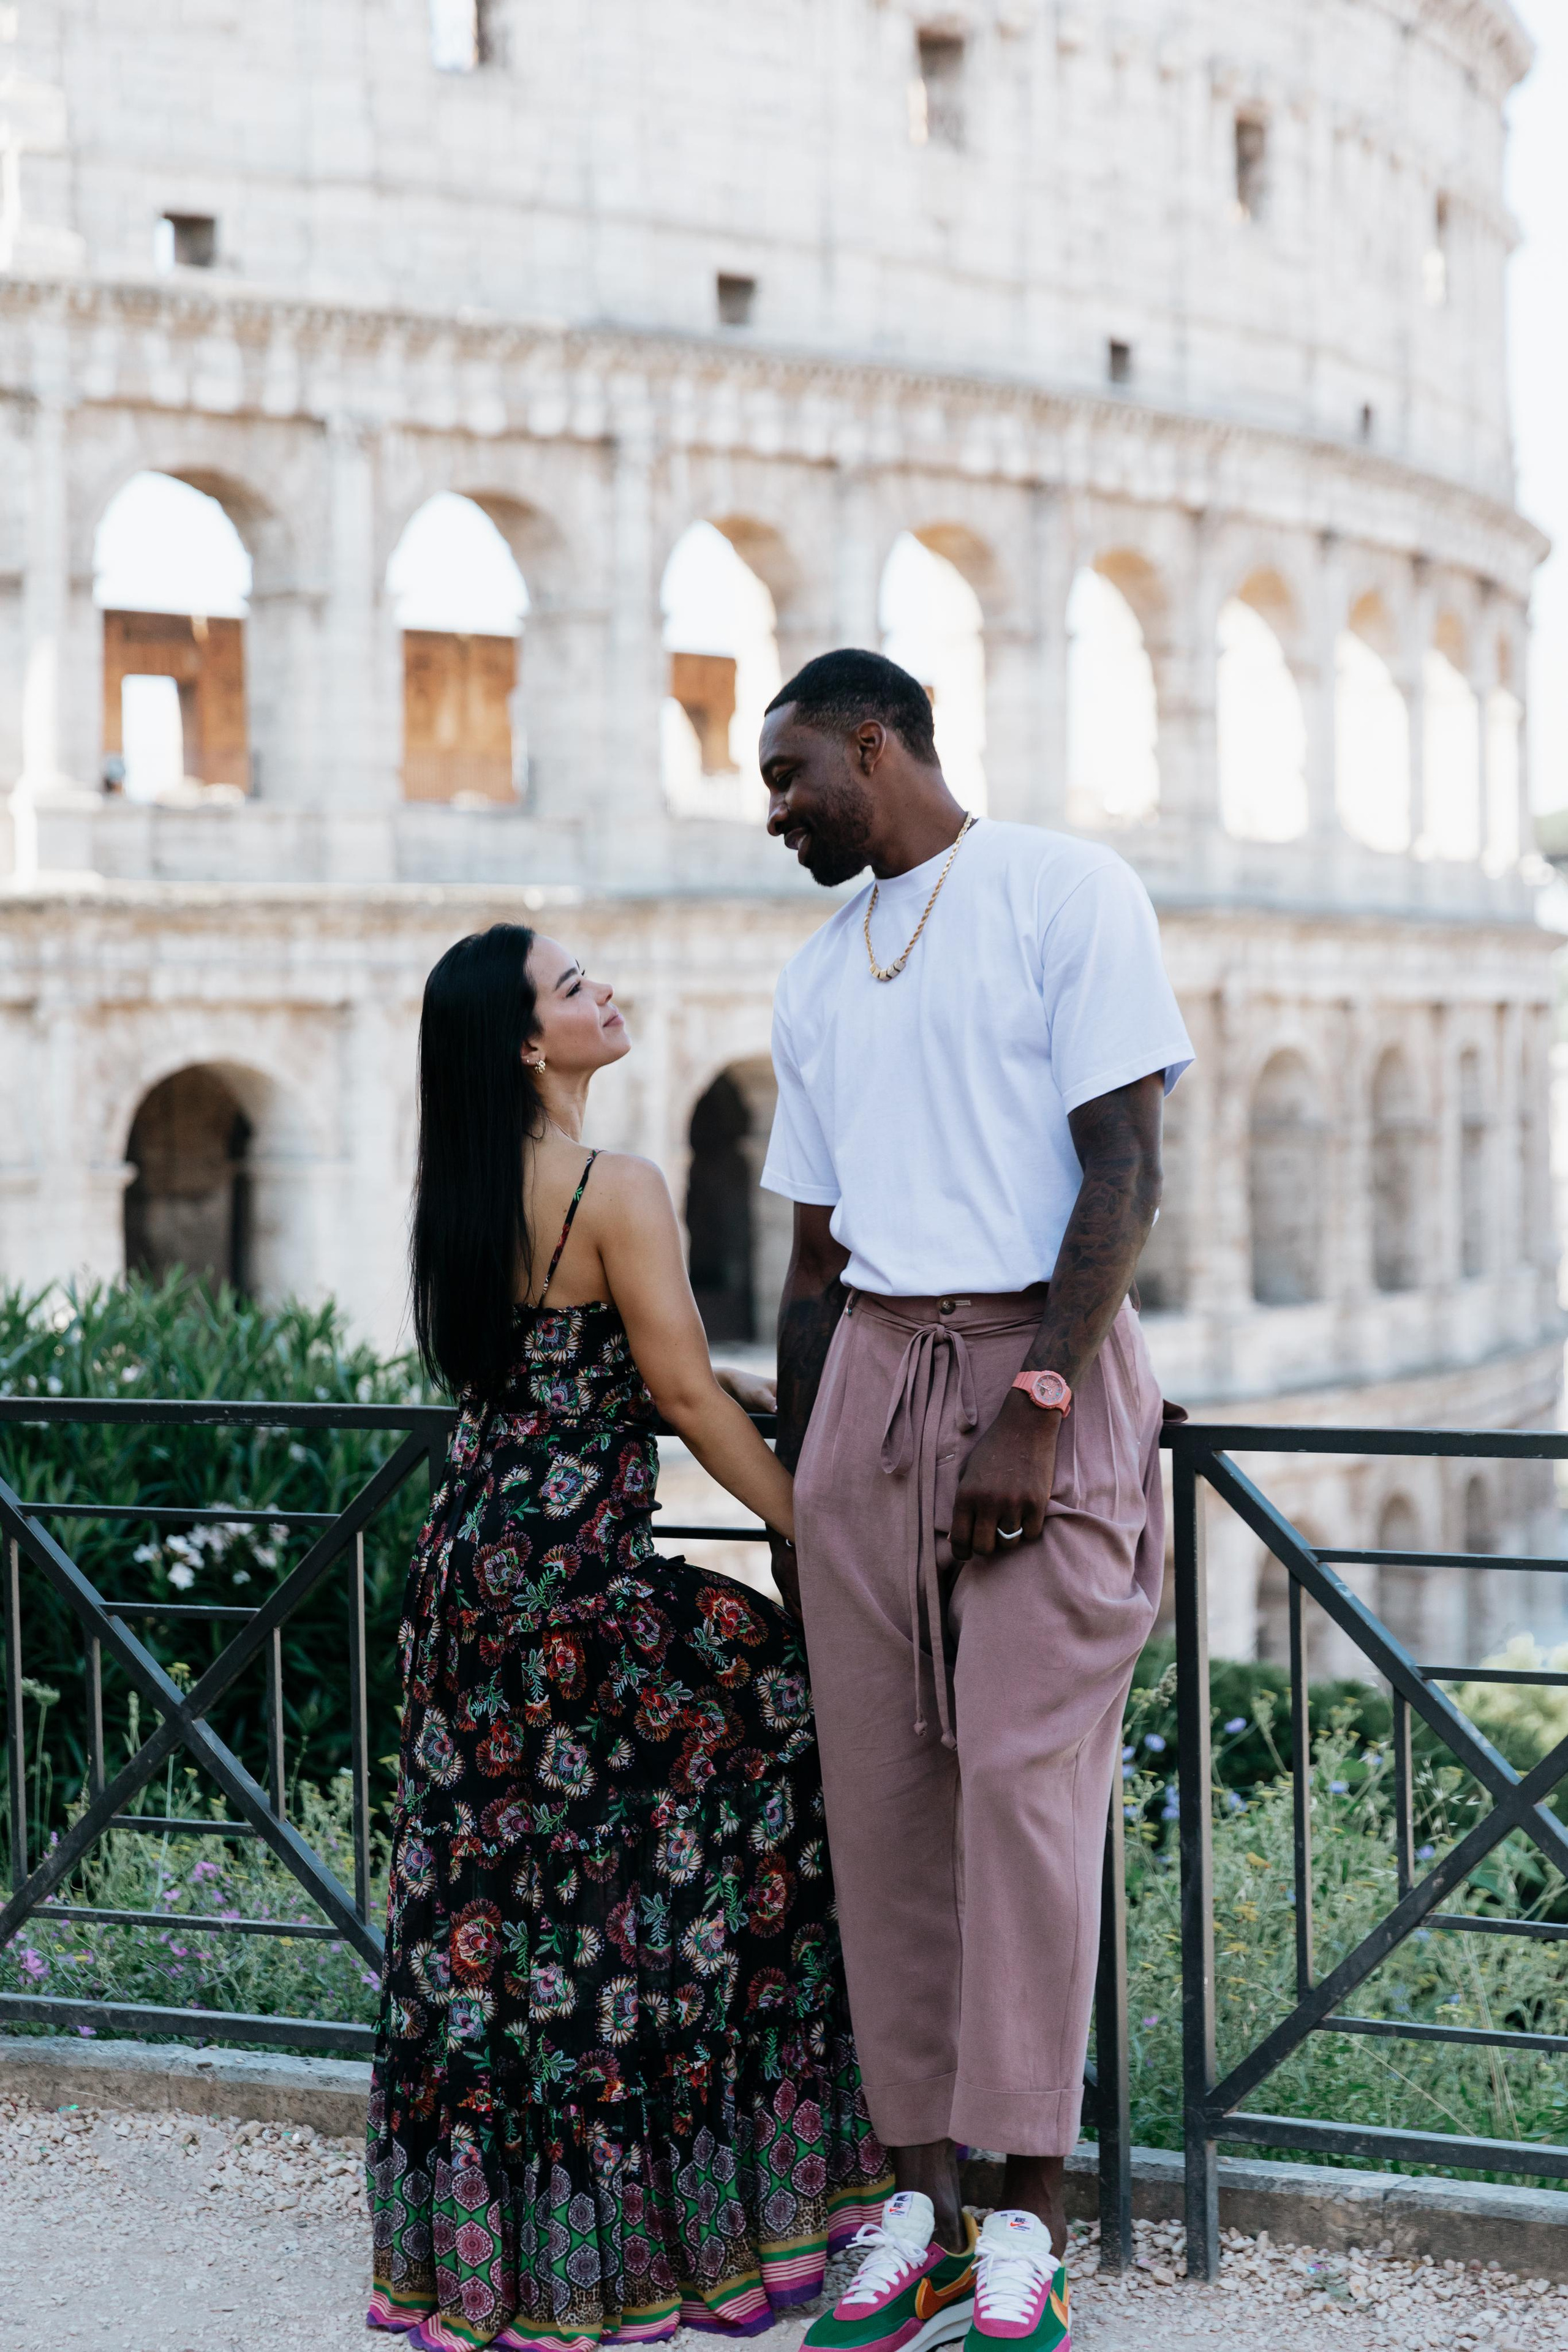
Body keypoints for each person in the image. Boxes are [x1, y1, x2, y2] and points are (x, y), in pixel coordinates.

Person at [366, 923, 890, 2352]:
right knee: (771, 1752)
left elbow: (588, 1370)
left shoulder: (458, 1190)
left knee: (500, 1903)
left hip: (467, 1580)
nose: (608, 991)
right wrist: (817, 1535)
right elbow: (691, 1406)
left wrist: (707, 1381)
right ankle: (739, 2179)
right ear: (525, 1041)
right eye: (574, 985)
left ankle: (500, 2249)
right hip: (578, 1588)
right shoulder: (618, 1185)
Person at [756, 651, 1194, 2352]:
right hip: (871, 1378)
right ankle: (920, 2206)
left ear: (875, 743)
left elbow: (1123, 1164)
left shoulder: (1062, 890)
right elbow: (811, 1261)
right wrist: (804, 1492)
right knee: (880, 1803)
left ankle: (1029, 2216)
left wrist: (1040, 1401)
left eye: (791, 775)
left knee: (1021, 1787)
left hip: (1037, 1371)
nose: (777, 815)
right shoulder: (816, 972)